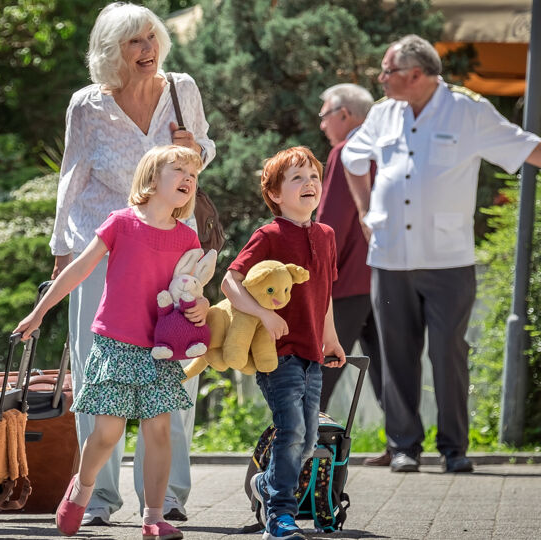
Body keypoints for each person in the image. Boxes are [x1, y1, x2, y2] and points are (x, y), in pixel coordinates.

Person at [341, 34, 541, 474]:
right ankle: (404, 447)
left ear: (415, 74)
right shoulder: (381, 113)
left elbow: (527, 147)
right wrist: (363, 210)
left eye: (387, 71)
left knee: (448, 352)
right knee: (395, 353)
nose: (380, 78)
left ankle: (454, 448)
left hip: (448, 260)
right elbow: (352, 159)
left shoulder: (467, 111)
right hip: (390, 256)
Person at [50, 2, 215, 526]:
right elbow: (71, 177)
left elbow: (205, 147)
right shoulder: (87, 104)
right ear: (110, 52)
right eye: (133, 43)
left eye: (151, 39)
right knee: (97, 375)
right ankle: (96, 497)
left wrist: (196, 148)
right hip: (103, 247)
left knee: (172, 366)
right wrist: (61, 253)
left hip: (170, 251)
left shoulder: (181, 88)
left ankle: (165, 499)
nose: (147, 51)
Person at [18, 145, 208, 540]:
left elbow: (193, 292)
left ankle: (153, 517)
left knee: (159, 431)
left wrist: (201, 308)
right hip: (116, 344)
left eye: (193, 174)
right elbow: (79, 268)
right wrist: (39, 313)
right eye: (179, 170)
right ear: (152, 179)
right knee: (107, 433)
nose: (189, 179)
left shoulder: (188, 239)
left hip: (158, 349)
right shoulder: (121, 223)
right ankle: (81, 491)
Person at [223, 146, 345, 540]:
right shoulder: (269, 235)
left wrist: (332, 340)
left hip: (312, 352)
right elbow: (230, 281)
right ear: (275, 193)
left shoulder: (326, 236)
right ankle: (279, 516)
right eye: (297, 178)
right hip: (277, 355)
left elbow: (323, 296)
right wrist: (264, 315)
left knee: (308, 438)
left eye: (313, 176)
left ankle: (263, 485)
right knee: (291, 430)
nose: (310, 183)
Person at [314, 83, 388, 466]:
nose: (323, 125)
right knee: (386, 360)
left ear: (346, 115)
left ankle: (309, 435)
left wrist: (318, 271)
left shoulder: (347, 151)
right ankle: (402, 442)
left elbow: (331, 222)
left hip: (347, 278)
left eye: (325, 115)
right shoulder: (383, 145)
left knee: (326, 358)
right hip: (383, 272)